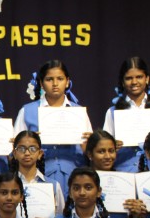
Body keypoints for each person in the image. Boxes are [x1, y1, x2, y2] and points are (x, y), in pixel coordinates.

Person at [13, 60, 91, 191]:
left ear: (67, 82)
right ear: (41, 83)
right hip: (38, 177)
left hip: (74, 176)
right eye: (49, 79)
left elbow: (89, 152)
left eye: (60, 79)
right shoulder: (27, 111)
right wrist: (30, 141)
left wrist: (89, 146)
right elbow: (15, 149)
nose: (55, 84)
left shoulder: (78, 112)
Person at [103, 57, 150, 172]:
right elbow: (104, 147)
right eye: (129, 78)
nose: (134, 82)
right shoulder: (112, 112)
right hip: (124, 171)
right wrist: (113, 147)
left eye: (139, 77)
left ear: (147, 79)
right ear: (122, 82)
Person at [9, 130, 64, 218]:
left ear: (40, 154)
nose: (27, 153)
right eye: (22, 149)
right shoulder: (6, 184)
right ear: (14, 154)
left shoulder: (53, 185)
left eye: (33, 149)